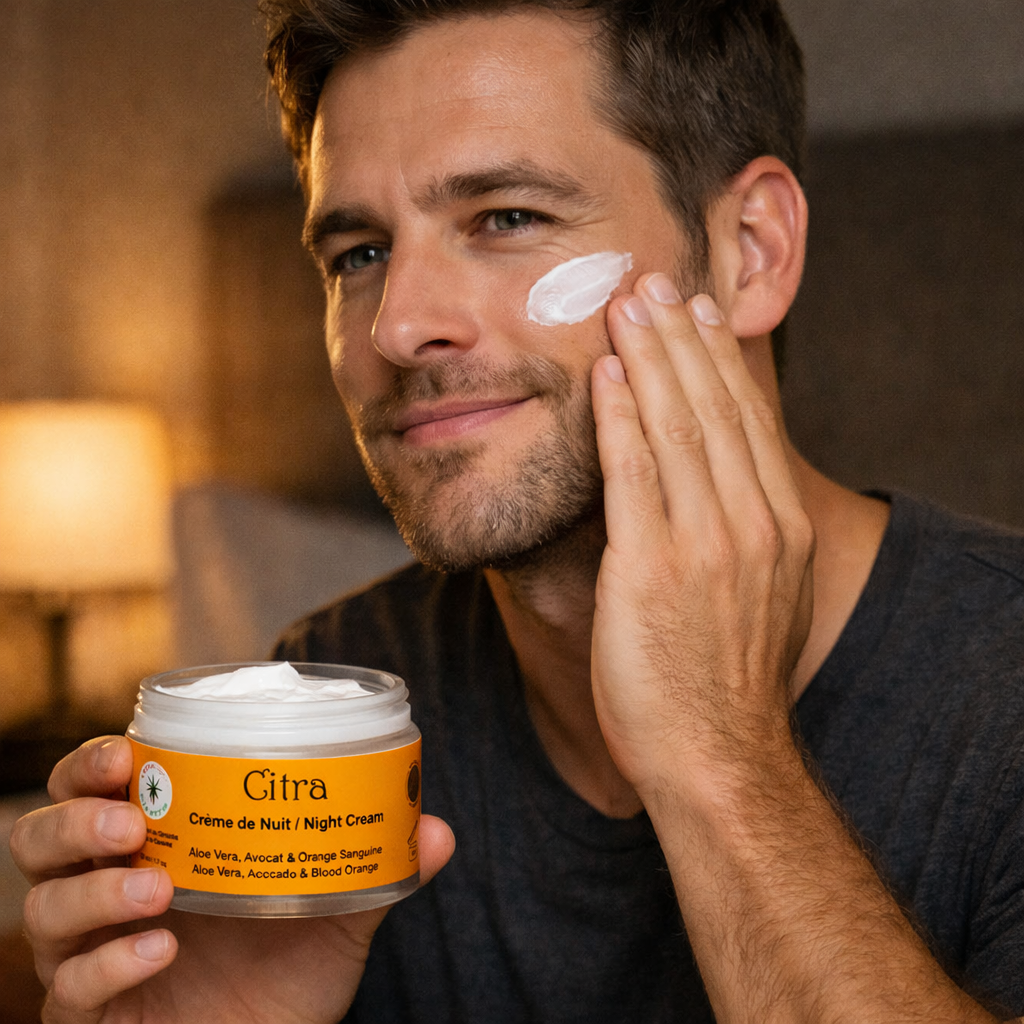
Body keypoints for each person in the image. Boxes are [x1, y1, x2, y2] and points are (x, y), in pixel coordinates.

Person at [10, 1, 1024, 1021]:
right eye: (358, 252)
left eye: (505, 218)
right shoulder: (338, 715)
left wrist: (718, 754)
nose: (399, 325)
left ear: (749, 250)